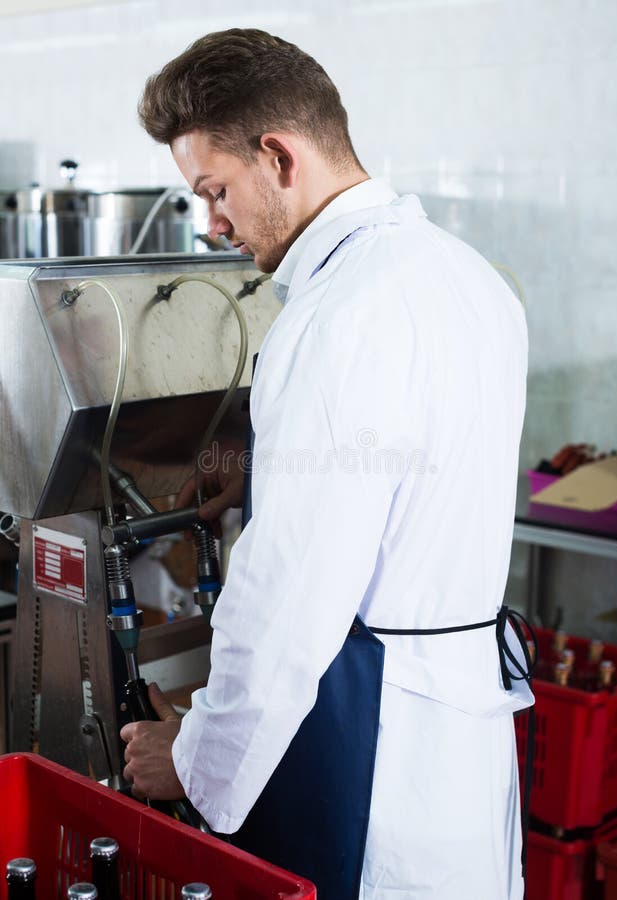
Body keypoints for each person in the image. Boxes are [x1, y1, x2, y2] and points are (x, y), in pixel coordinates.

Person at [120, 28, 533, 900]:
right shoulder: (465, 276)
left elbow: (288, 600)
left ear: (277, 154)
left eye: (214, 190)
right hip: (459, 741)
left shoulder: (338, 312)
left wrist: (193, 759)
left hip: (376, 755)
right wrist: (271, 474)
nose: (211, 223)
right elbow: (406, 475)